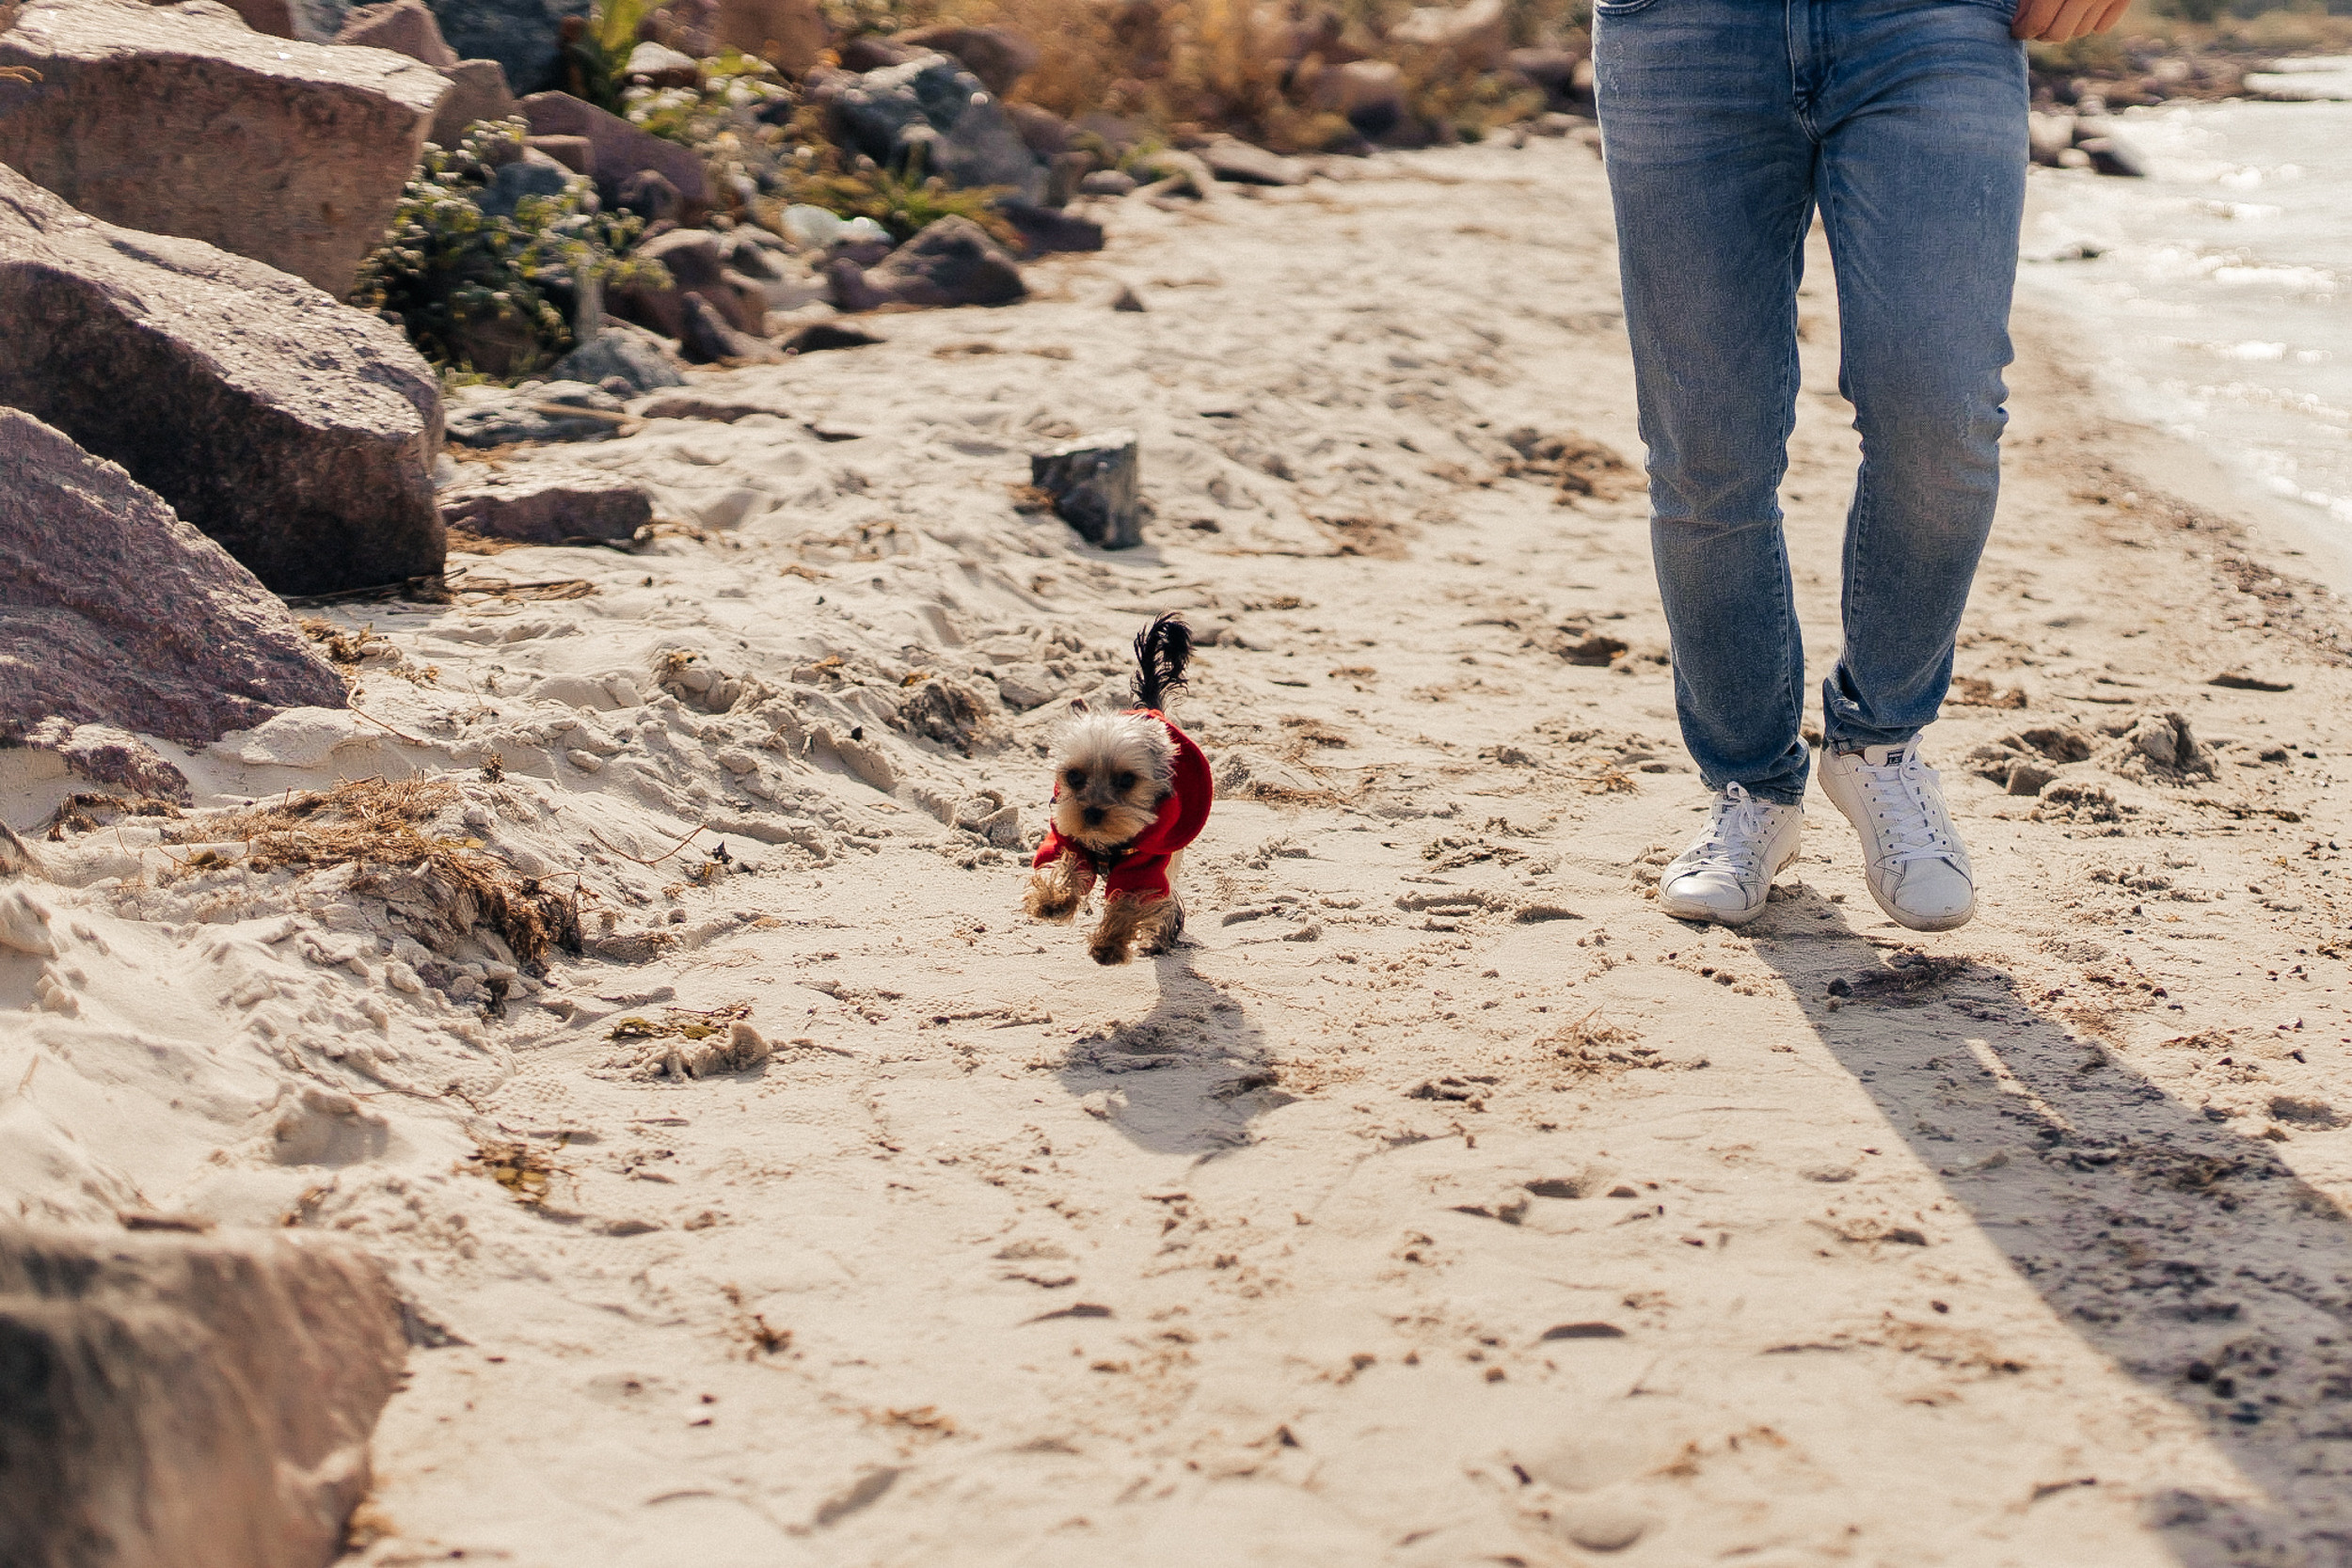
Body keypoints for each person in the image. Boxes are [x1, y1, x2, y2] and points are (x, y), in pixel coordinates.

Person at [1592, 0, 2126, 930]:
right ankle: (1752, 788)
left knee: (1942, 409)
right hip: (1680, 29)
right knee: (1704, 449)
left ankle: (1878, 745)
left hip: (1933, 21)